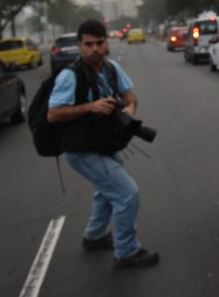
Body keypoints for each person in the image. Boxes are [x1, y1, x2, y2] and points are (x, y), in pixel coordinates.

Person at [47, 19, 159, 269]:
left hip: (104, 144)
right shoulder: (69, 76)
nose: (95, 49)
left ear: (106, 43)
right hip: (81, 149)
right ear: (79, 46)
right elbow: (53, 114)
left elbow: (130, 96)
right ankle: (127, 251)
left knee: (106, 191)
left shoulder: (110, 69)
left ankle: (94, 235)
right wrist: (90, 107)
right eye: (88, 44)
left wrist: (129, 109)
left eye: (99, 43)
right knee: (127, 194)